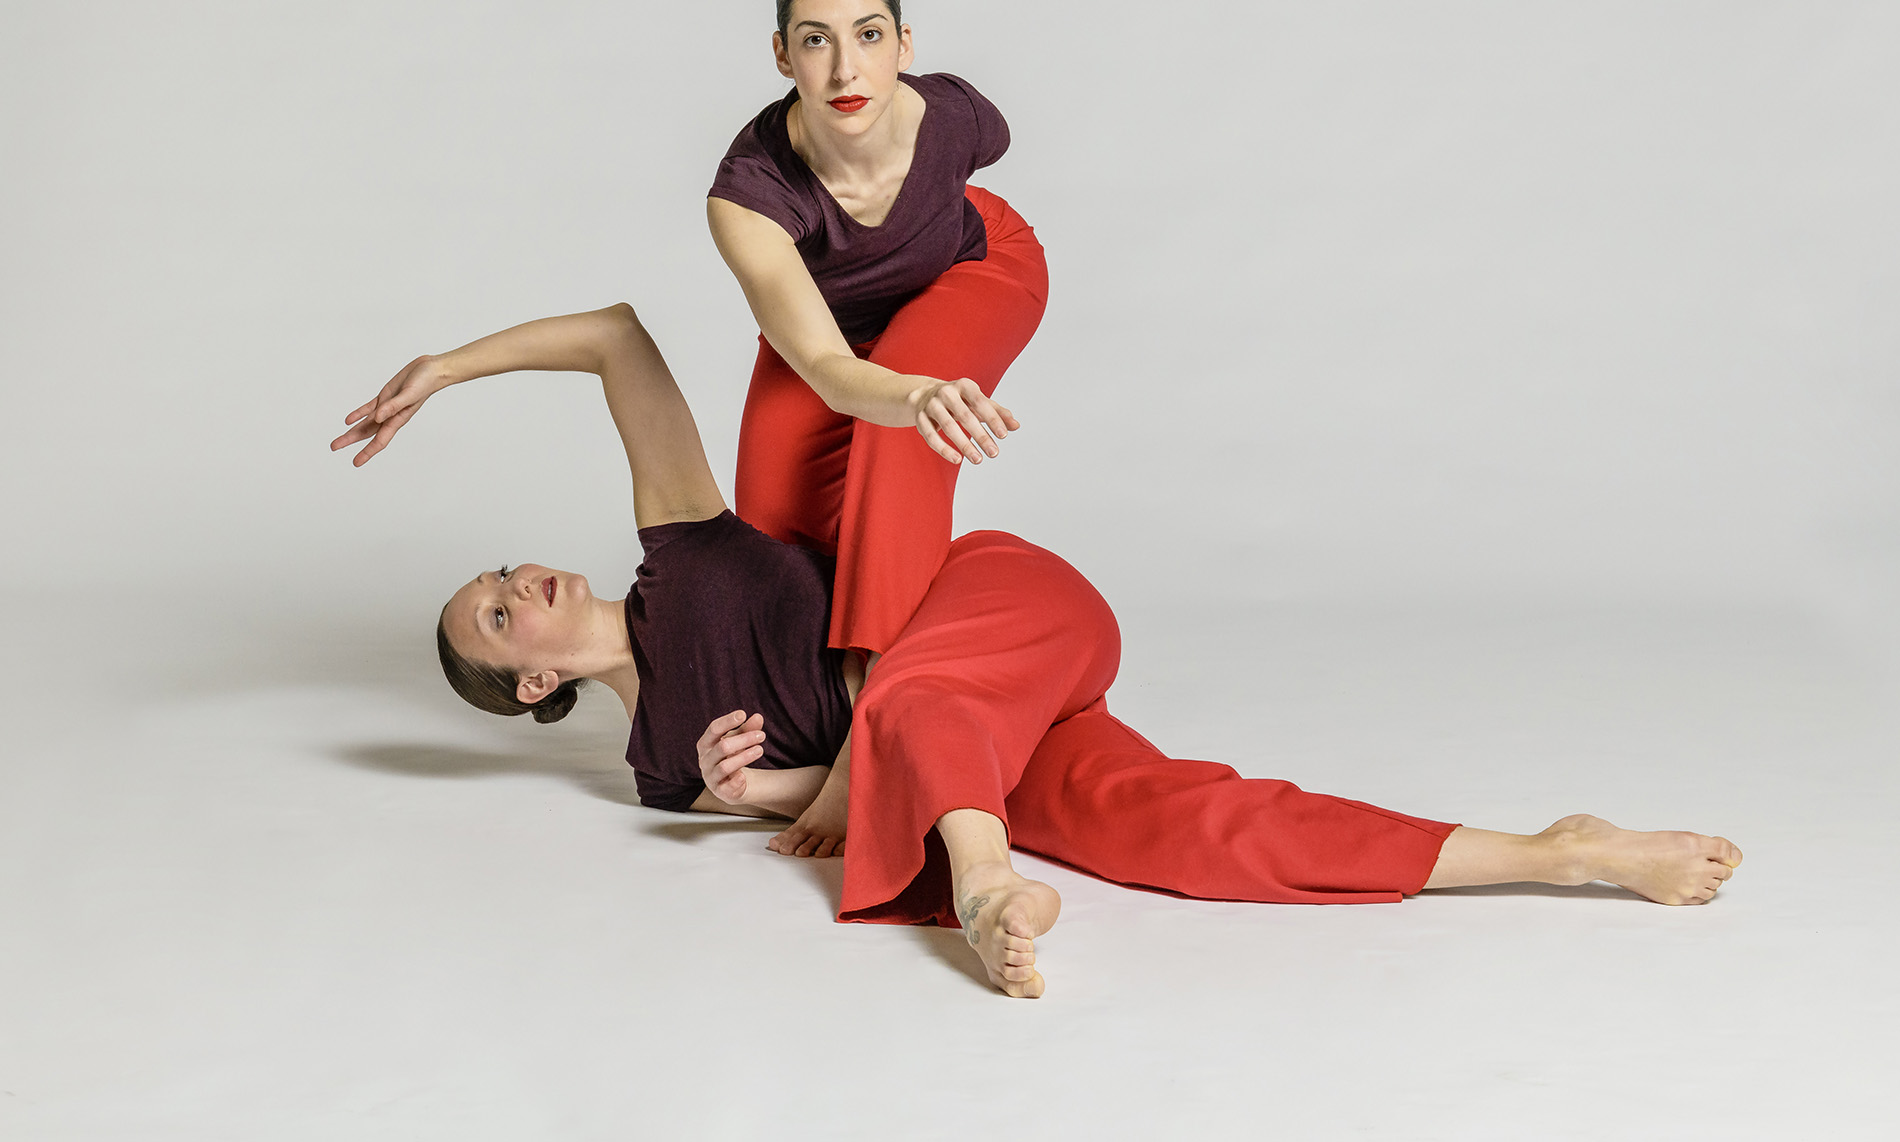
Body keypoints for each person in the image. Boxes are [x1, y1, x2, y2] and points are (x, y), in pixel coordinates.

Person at [331, 302, 1745, 999]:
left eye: (504, 567)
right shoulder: (650, 768)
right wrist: (751, 789)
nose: (524, 580)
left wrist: (443, 369)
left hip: (1001, 613)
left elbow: (619, 337)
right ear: (533, 684)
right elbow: (796, 804)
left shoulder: (681, 551)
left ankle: (986, 882)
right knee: (1182, 830)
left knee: (912, 697)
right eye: (502, 610)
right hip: (974, 746)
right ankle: (1555, 847)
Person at [707, 0, 1047, 659]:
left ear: (904, 44)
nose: (844, 69)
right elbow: (828, 368)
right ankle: (808, 698)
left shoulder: (958, 117)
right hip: (831, 329)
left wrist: (915, 395)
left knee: (902, 430)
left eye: (868, 36)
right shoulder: (750, 196)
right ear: (781, 55)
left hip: (973, 267)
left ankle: (878, 688)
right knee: (769, 533)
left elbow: (967, 188)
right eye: (814, 41)